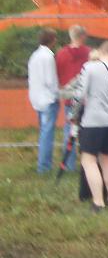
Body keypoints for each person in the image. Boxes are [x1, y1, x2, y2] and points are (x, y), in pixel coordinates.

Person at [74, 40, 108, 210]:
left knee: (89, 160)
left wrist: (72, 116)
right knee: (106, 160)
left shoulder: (90, 68)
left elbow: (79, 95)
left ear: (100, 51)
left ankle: (98, 202)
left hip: (92, 122)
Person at [56, 26, 91, 172]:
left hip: (70, 98)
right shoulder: (89, 52)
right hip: (87, 99)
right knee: (88, 132)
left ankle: (69, 165)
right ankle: (88, 164)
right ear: (82, 36)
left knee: (69, 132)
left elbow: (57, 75)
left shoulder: (61, 54)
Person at [27, 28, 60, 174]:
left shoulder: (34, 55)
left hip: (36, 97)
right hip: (47, 98)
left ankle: (43, 165)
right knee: (47, 133)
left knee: (43, 132)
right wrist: (58, 93)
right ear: (53, 40)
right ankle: (44, 167)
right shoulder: (48, 56)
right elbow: (50, 80)